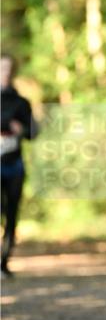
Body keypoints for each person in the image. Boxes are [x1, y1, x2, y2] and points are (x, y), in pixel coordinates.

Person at [1, 55, 37, 276]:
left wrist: (20, 129)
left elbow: (33, 133)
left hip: (14, 165)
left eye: (7, 68)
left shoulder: (21, 103)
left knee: (12, 215)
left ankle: (4, 262)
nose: (4, 72)